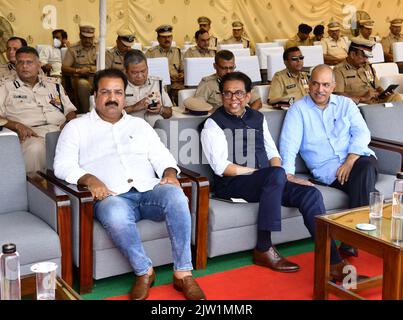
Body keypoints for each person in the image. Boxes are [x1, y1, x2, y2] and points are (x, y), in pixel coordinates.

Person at [53, 68, 206, 301]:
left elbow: (162, 156)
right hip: (112, 197)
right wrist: (90, 179)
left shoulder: (139, 126)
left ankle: (183, 273)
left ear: (125, 96)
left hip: (148, 191)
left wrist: (169, 173)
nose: (112, 98)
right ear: (95, 94)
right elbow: (62, 165)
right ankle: (145, 271)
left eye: (118, 92)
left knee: (176, 195)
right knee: (114, 212)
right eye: (105, 92)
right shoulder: (77, 128)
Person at [200, 71, 348, 280]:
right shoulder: (213, 124)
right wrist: (267, 174)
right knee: (275, 175)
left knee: (310, 193)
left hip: (267, 181)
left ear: (249, 95)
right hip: (233, 183)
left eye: (239, 93)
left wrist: (281, 176)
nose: (234, 99)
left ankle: (333, 262)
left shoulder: (257, 117)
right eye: (228, 94)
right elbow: (220, 167)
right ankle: (263, 247)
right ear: (220, 95)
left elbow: (272, 152)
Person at [279, 64, 379, 258]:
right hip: (329, 171)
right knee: (363, 178)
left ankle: (351, 240)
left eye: (325, 84)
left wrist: (350, 160)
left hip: (358, 159)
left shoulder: (346, 104)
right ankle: (359, 237)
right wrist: (288, 175)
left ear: (333, 86)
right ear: (308, 84)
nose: (320, 90)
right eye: (315, 84)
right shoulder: (298, 110)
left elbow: (362, 133)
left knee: (365, 166)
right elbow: (288, 145)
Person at [0, 46, 76, 174]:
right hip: (30, 134)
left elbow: (70, 110)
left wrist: (69, 124)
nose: (24, 66)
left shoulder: (54, 85)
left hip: (59, 131)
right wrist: (17, 125)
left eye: (29, 62)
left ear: (38, 64)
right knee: (36, 148)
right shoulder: (5, 87)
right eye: (20, 62)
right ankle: (33, 189)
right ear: (16, 64)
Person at [333, 37, 401, 104]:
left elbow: (377, 87)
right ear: (353, 54)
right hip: (361, 105)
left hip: (376, 101)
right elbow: (338, 94)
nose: (366, 60)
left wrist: (384, 94)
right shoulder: (339, 70)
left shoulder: (367, 66)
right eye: (363, 56)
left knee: (395, 96)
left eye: (367, 57)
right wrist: (362, 98)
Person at [194, 50, 262, 110]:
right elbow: (198, 106)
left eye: (231, 67)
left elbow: (257, 102)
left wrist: (248, 117)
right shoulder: (207, 83)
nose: (228, 72)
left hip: (243, 119)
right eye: (224, 68)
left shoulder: (241, 81)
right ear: (215, 66)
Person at [123, 49, 172, 127]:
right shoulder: (119, 86)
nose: (140, 76)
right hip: (130, 131)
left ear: (147, 68)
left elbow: (169, 113)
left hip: (156, 131)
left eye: (143, 71)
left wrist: (160, 109)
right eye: (134, 73)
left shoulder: (157, 83)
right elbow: (110, 115)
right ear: (125, 71)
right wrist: (133, 108)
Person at [62, 23, 97, 113]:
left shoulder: (99, 47)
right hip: (80, 78)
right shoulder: (73, 48)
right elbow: (64, 68)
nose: (88, 40)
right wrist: (78, 70)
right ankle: (87, 113)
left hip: (97, 76)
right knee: (83, 84)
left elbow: (106, 64)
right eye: (85, 37)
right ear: (80, 35)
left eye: (90, 38)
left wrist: (90, 69)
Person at [145, 25, 184, 105]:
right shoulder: (150, 53)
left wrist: (181, 74)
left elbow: (183, 70)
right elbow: (145, 72)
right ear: (158, 39)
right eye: (163, 37)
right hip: (158, 85)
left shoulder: (177, 51)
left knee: (184, 98)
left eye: (169, 37)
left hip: (175, 85)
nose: (167, 39)